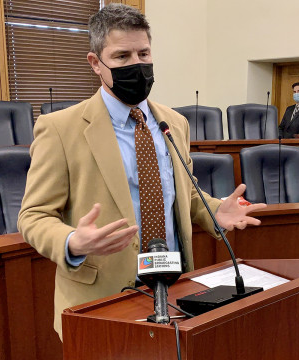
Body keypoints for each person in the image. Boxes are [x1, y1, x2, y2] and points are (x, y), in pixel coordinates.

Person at [17, 4, 266, 338]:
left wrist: (214, 210)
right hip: (100, 297)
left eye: (143, 53)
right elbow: (33, 216)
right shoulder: (60, 128)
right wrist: (73, 241)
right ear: (96, 63)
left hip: (175, 288)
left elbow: (184, 192)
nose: (137, 64)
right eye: (122, 57)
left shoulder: (173, 123)